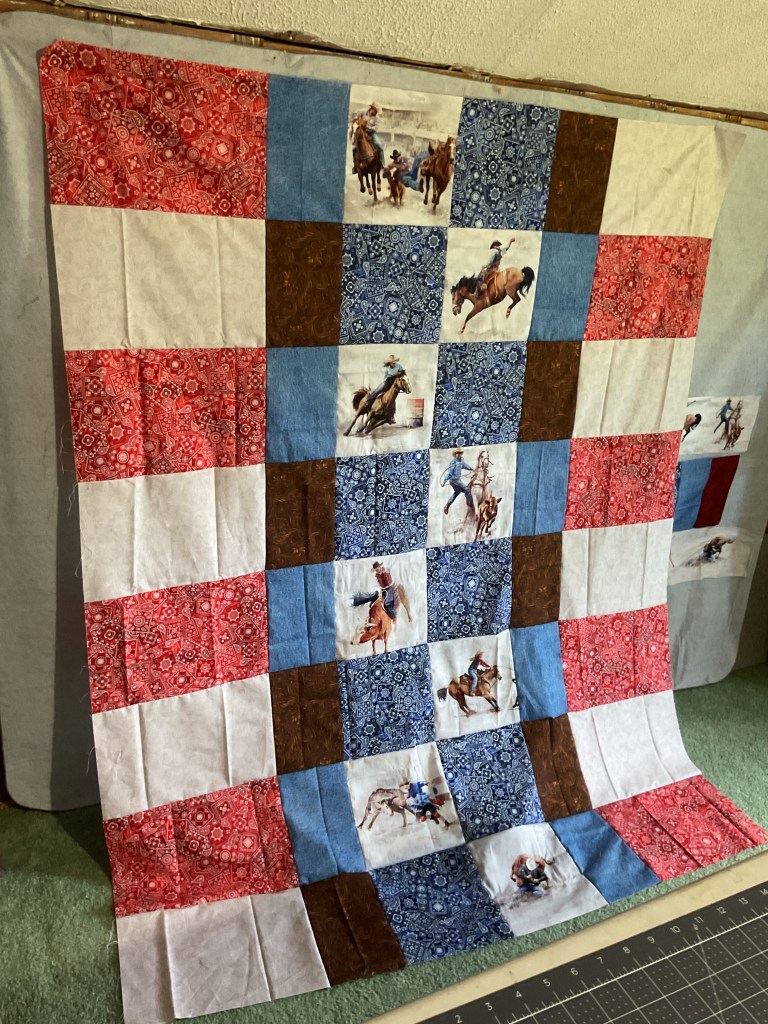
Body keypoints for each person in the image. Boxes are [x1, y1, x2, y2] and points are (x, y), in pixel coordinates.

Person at [361, 354, 405, 421]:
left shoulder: (399, 366)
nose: (394, 364)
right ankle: (368, 402)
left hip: (394, 384)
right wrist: (393, 376)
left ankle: (392, 416)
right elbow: (385, 377)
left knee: (392, 399)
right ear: (390, 363)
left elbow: (403, 373)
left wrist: (401, 374)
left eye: (394, 363)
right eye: (392, 363)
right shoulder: (388, 369)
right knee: (377, 390)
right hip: (387, 382)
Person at [352, 103, 385, 172]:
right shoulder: (363, 111)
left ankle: (382, 164)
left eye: (376, 111)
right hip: (362, 133)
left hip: (371, 133)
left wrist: (368, 127)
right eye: (375, 110)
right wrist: (356, 119)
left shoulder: (377, 117)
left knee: (379, 145)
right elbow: (355, 113)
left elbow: (376, 128)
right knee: (354, 148)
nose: (375, 112)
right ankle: (355, 165)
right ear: (371, 108)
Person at [441, 448, 475, 515]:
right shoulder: (453, 463)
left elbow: (466, 466)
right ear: (455, 455)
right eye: (457, 454)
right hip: (454, 480)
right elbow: (449, 474)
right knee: (467, 489)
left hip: (457, 480)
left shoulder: (461, 462)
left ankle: (447, 505)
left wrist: (472, 469)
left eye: (459, 453)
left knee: (456, 492)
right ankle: (470, 505)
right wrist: (444, 482)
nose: (458, 455)